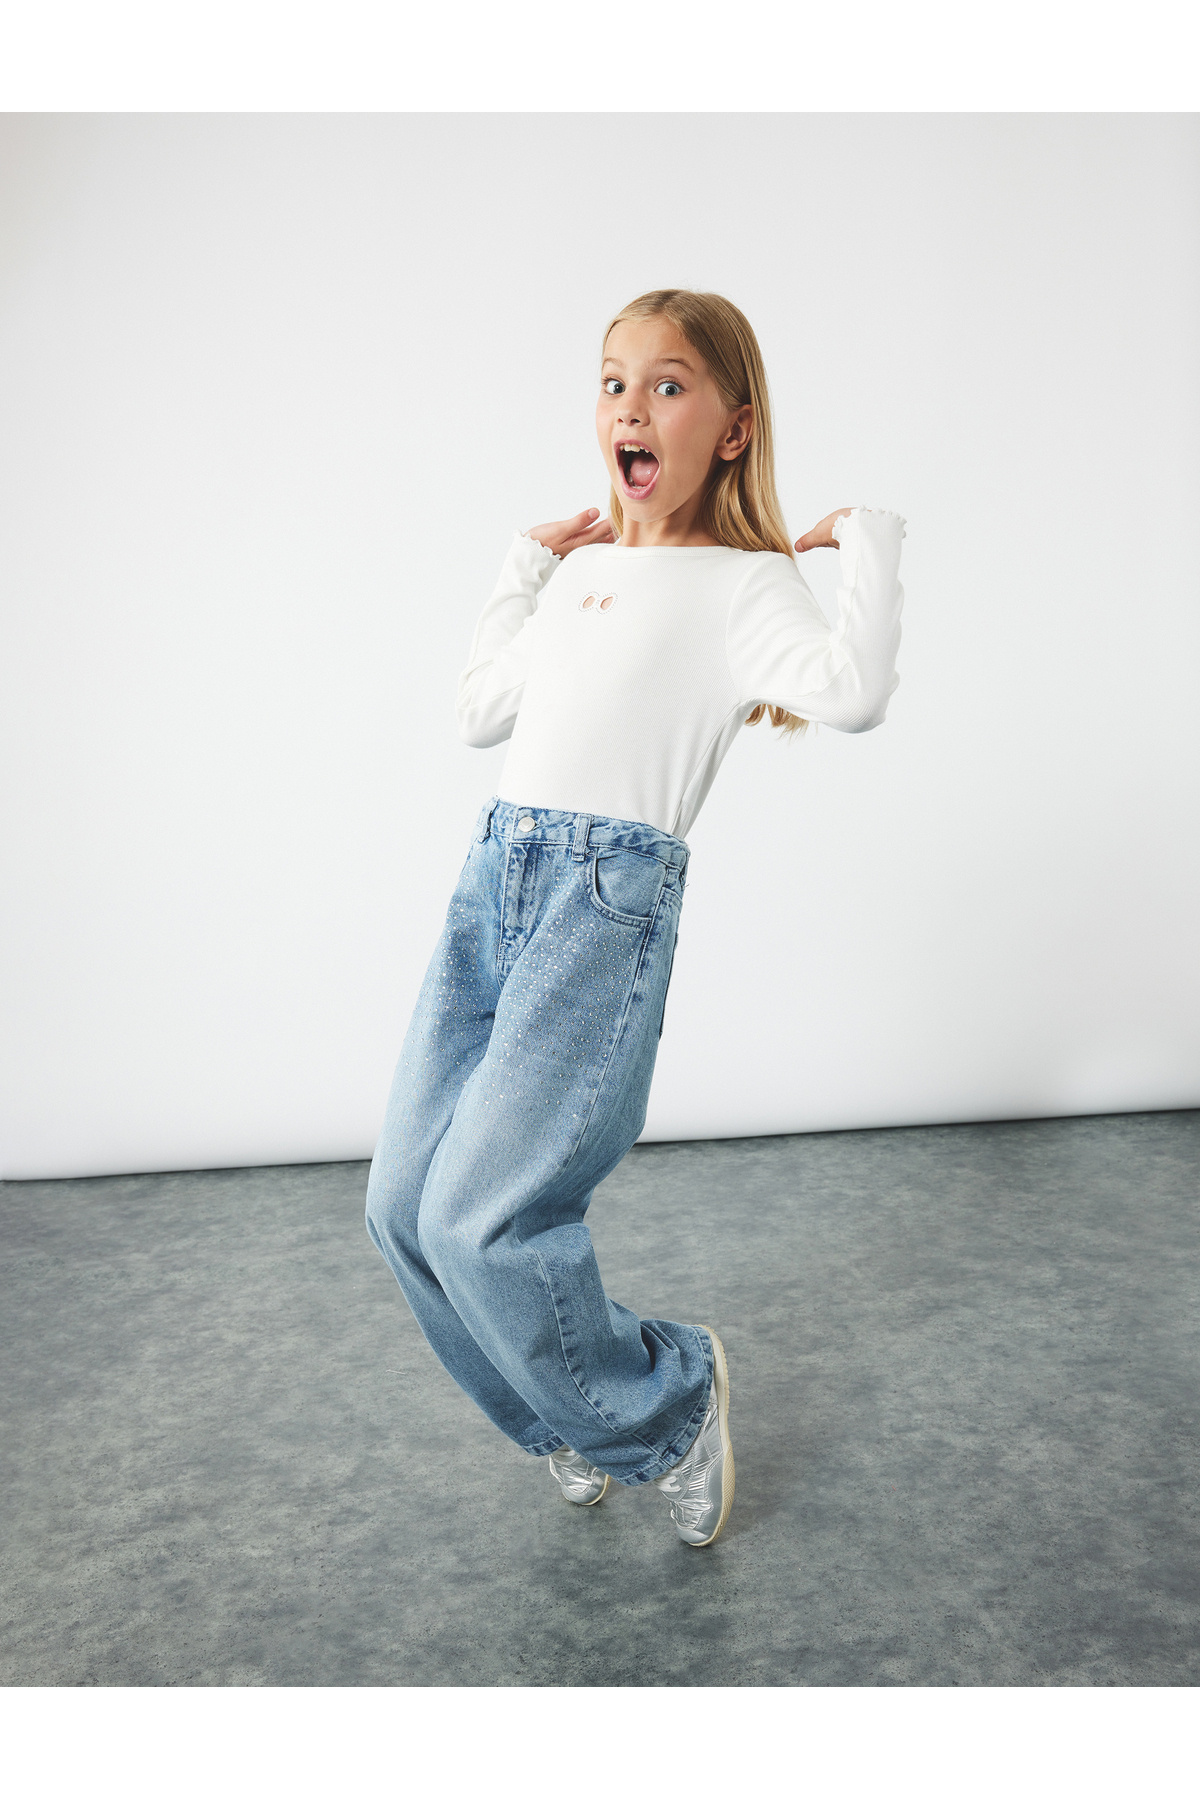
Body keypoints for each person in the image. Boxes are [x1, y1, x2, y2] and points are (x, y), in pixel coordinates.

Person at [365, 288, 906, 1548]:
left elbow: (854, 693)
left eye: (668, 384)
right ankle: (568, 1418)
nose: (632, 407)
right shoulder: (585, 573)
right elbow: (480, 711)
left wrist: (869, 546)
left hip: (603, 903)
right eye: (614, 382)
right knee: (401, 1206)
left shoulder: (744, 584)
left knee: (480, 1218)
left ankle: (667, 1407)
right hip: (495, 879)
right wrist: (525, 567)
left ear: (732, 428)